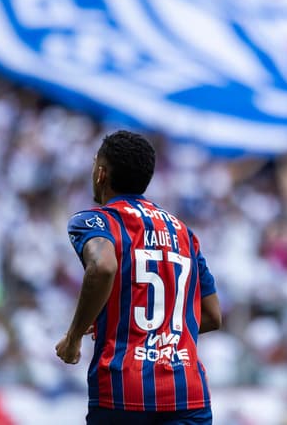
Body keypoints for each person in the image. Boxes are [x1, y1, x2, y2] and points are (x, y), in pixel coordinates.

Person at [55, 130, 222, 424]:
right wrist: (162, 337)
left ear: (101, 174)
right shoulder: (184, 233)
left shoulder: (96, 221)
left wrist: (74, 337)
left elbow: (103, 266)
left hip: (123, 390)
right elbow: (211, 316)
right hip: (187, 392)